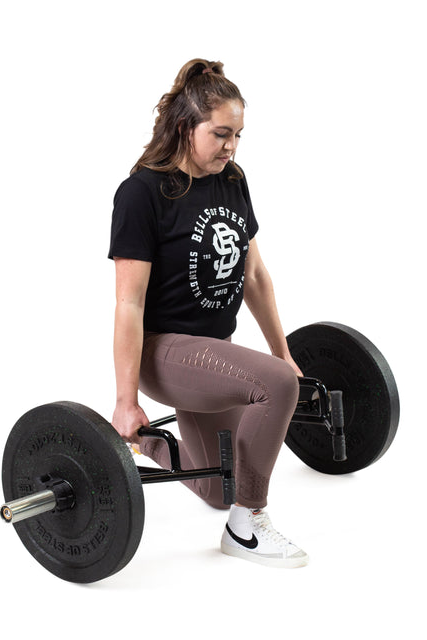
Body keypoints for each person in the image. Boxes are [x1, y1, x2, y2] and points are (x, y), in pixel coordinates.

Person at [108, 59, 308, 568]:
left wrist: (282, 352)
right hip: (166, 352)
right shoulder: (141, 194)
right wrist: (126, 398)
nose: (231, 147)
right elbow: (128, 304)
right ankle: (247, 529)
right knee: (276, 390)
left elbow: (256, 275)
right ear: (185, 126)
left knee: (222, 486)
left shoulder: (232, 179)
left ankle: (146, 442)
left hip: (212, 356)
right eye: (221, 134)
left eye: (238, 135)